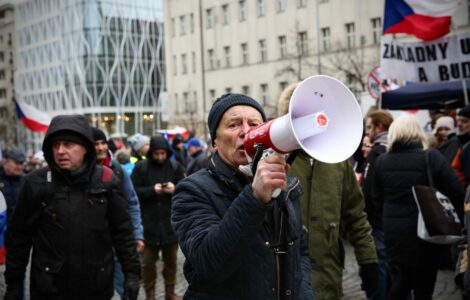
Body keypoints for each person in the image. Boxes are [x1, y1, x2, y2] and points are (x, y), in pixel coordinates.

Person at [171, 93, 314, 299]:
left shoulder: (285, 185)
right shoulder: (192, 190)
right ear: (214, 141)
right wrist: (255, 198)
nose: (246, 132)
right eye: (233, 125)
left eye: (255, 124)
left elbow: (299, 253)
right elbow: (208, 264)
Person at [4, 114, 141, 300]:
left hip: (95, 286)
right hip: (49, 287)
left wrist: (132, 274)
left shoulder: (106, 180)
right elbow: (19, 236)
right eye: (56, 145)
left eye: (68, 145)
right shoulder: (36, 182)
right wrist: (14, 283)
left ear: (85, 148)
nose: (60, 151)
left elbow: (123, 233)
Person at [277, 83, 378, 299]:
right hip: (286, 279)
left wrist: (368, 259)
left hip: (328, 278)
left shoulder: (336, 159)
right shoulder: (275, 160)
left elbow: (355, 214)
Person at [372, 114, 464, 299]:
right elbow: (457, 191)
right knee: (424, 286)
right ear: (418, 132)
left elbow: (375, 198)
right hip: (426, 234)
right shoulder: (430, 157)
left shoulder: (382, 161)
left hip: (395, 236)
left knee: (404, 281)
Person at [91, 127, 145, 300]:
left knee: (127, 289)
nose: (100, 148)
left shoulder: (117, 169)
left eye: (102, 143)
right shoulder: (83, 172)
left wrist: (137, 234)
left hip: (119, 241)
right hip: (93, 243)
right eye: (95, 144)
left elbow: (132, 202)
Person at [131, 135, 185, 300]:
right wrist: (152, 190)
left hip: (170, 225)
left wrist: (174, 189)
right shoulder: (141, 168)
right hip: (148, 225)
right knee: (147, 264)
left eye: (163, 153)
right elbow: (133, 194)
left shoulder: (175, 167)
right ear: (151, 153)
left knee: (171, 262)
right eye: (157, 154)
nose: (160, 157)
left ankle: (170, 292)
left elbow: (185, 191)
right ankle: (150, 294)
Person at [361, 109, 394, 300]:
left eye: (369, 128)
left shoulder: (377, 152)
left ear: (379, 127)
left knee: (379, 264)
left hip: (377, 221)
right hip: (392, 219)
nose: (367, 133)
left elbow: (368, 191)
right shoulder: (395, 148)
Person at [439, 105, 470, 188]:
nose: (459, 124)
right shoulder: (455, 142)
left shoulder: (466, 146)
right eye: (458, 121)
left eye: (464, 121)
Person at [0, 149, 26, 225]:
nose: (20, 167)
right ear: (5, 162)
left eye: (21, 163)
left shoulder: (27, 180)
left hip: (20, 228)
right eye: (17, 163)